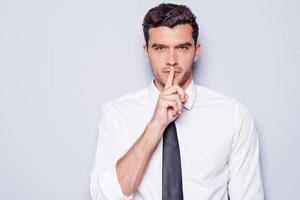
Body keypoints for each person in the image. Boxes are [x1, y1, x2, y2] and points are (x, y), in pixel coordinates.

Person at [90, 3, 264, 200]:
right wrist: (155, 125)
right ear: (146, 51)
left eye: (182, 48)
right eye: (160, 48)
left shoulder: (234, 117)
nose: (171, 60)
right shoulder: (116, 115)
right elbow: (105, 196)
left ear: (196, 51)